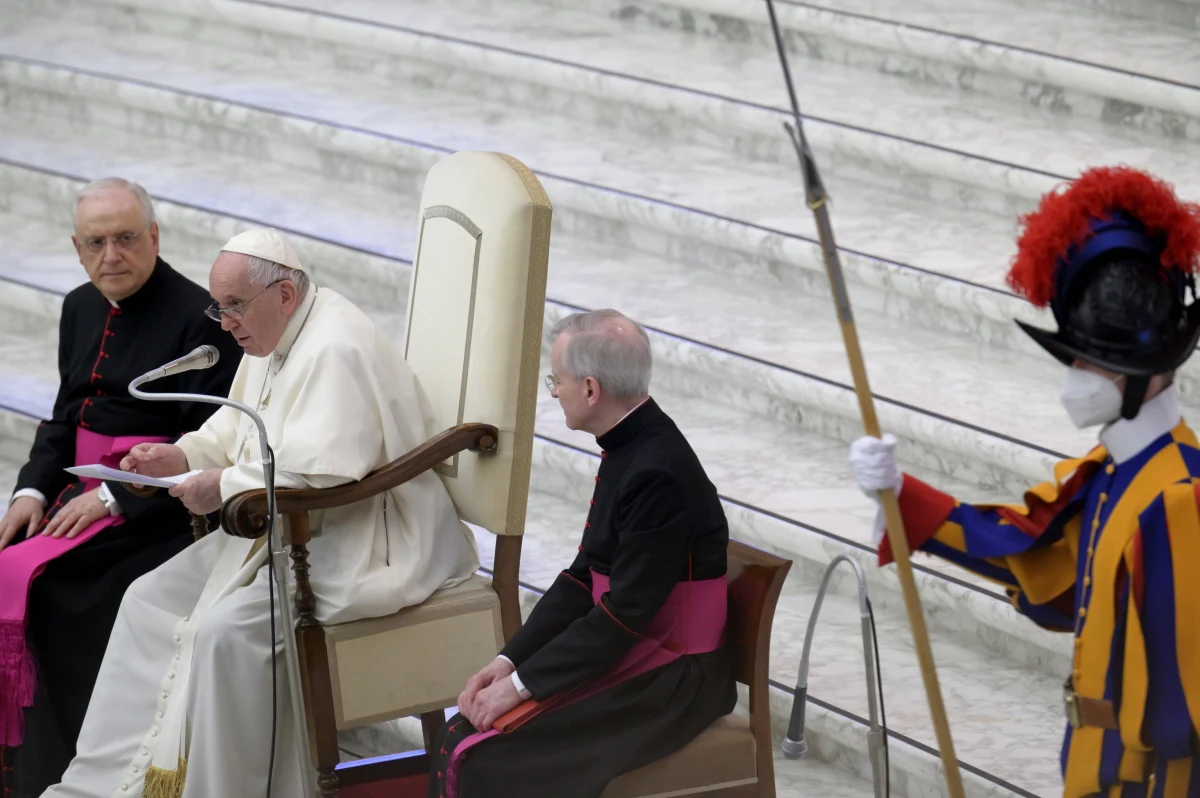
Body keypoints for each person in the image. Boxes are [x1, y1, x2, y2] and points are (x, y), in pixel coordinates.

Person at [44, 228, 480, 797]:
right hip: (284, 529)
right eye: (217, 307)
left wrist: (221, 485)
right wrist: (183, 454)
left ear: (285, 295)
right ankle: (120, 786)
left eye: (234, 307)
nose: (224, 324)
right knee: (144, 601)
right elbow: (239, 423)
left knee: (223, 635)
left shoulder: (335, 347)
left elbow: (326, 469)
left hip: (359, 538)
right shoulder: (271, 334)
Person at [849, 167, 1200, 798]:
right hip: (1092, 769)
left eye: (1090, 360)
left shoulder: (1179, 497)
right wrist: (904, 500)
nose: (1075, 374)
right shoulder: (1119, 475)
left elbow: (1184, 718)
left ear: (1140, 372)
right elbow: (1048, 567)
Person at [429, 309, 736, 798]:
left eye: (558, 381)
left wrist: (522, 686)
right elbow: (583, 578)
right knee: (461, 734)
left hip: (675, 678)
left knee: (487, 755)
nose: (554, 392)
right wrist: (509, 662)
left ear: (591, 390)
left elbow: (624, 616)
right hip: (638, 645)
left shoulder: (656, 471)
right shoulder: (632, 446)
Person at [0, 178, 241, 797]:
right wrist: (29, 492)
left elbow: (206, 441)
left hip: (157, 509)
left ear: (154, 238)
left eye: (127, 238)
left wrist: (113, 496)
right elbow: (64, 419)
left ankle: (85, 768)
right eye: (97, 242)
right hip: (73, 496)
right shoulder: (78, 306)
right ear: (78, 249)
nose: (112, 255)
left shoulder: (202, 319)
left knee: (61, 592)